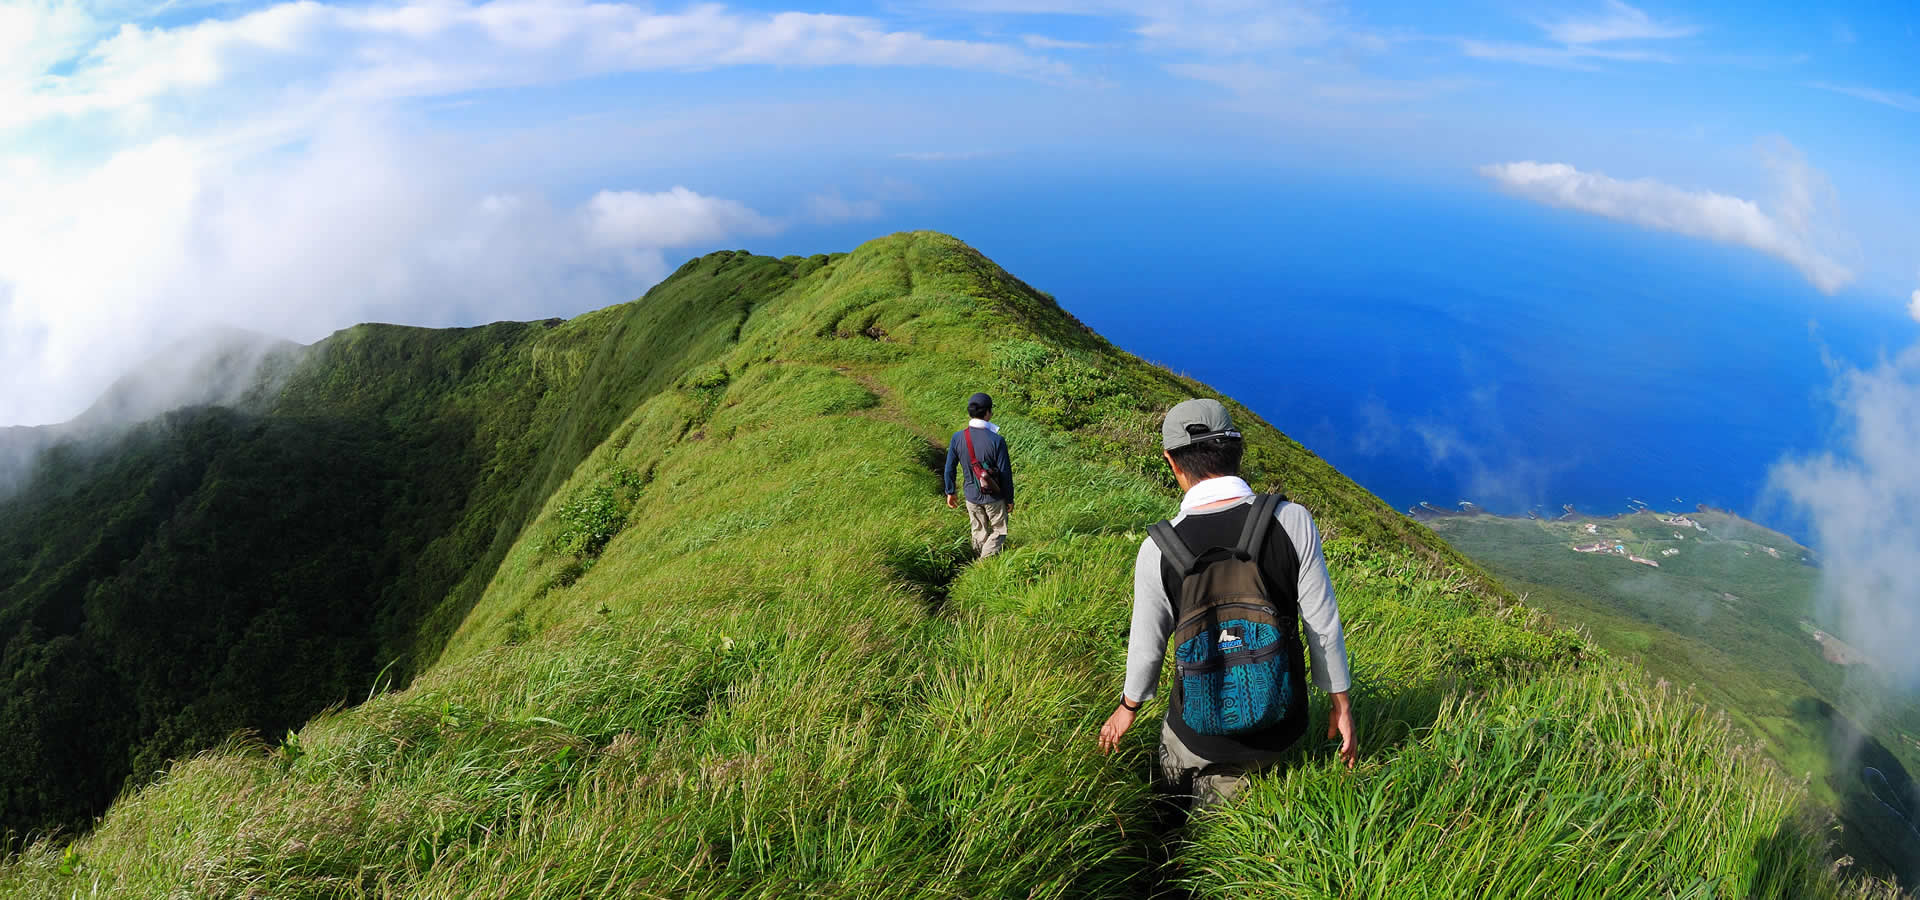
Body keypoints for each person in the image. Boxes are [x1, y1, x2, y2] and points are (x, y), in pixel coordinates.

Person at [1097, 398, 1356, 811]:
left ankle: (1163, 834)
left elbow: (1147, 648)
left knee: (1172, 796)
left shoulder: (1157, 549)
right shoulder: (1292, 522)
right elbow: (1322, 625)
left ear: (1172, 462)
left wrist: (1128, 707)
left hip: (1194, 730)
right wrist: (1340, 703)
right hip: (1277, 725)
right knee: (1228, 834)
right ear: (1237, 451)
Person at [943, 392, 1014, 558]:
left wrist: (950, 491)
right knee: (999, 530)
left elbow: (949, 467)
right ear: (988, 412)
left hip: (971, 496)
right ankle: (985, 563)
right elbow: (1005, 473)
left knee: (978, 530)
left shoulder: (957, 437)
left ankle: (977, 561)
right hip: (994, 496)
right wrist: (1009, 499)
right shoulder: (997, 440)